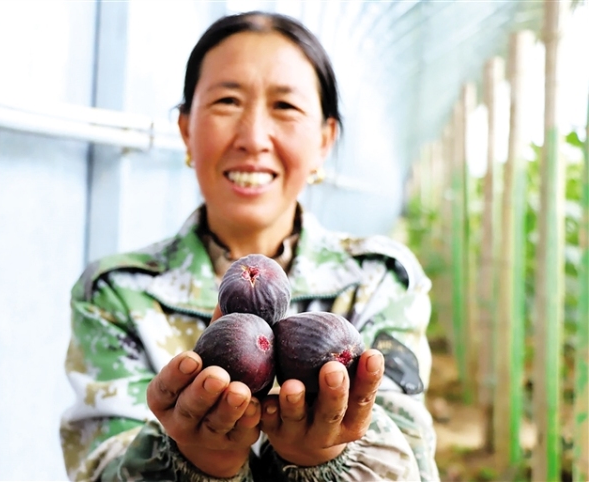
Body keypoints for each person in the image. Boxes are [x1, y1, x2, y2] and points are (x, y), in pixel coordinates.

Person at [60, 10, 439, 482]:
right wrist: (193, 462)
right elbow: (97, 470)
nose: (253, 138)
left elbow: (414, 464)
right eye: (226, 101)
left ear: (325, 140)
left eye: (285, 107)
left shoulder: (380, 279)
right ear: (185, 130)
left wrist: (325, 461)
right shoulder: (116, 292)